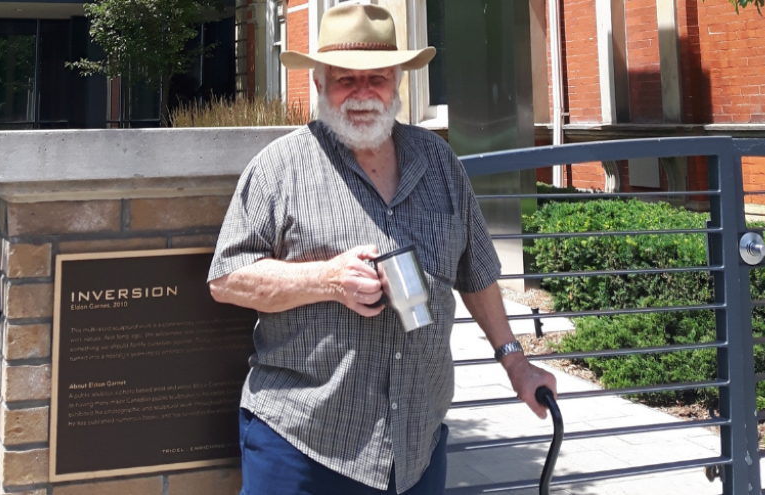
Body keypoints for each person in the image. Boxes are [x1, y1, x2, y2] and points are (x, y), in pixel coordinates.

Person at [208, 4, 557, 494]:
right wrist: (326, 280)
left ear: (397, 82)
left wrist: (516, 362)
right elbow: (227, 278)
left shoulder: (439, 162)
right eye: (346, 79)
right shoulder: (278, 169)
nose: (363, 93)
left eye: (377, 77)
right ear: (319, 84)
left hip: (416, 450)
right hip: (303, 447)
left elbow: (476, 272)